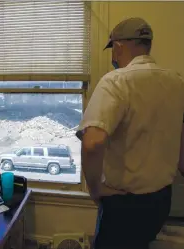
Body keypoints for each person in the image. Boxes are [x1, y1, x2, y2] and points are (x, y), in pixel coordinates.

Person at [76, 17, 184, 249]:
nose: (113, 57)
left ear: (119, 46)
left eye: (112, 49)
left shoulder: (116, 81)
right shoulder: (177, 82)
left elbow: (92, 143)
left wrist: (95, 190)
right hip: (162, 199)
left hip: (124, 204)